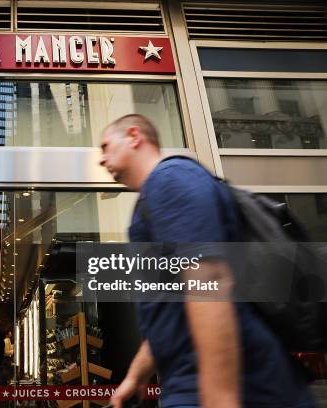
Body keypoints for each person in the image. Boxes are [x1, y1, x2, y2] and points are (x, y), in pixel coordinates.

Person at [99, 114, 315, 408]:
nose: (102, 159)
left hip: (238, 386)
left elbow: (209, 280)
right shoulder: (155, 196)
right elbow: (173, 309)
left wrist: (220, 397)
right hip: (191, 383)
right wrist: (135, 379)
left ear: (134, 136)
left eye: (106, 146)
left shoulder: (170, 180)